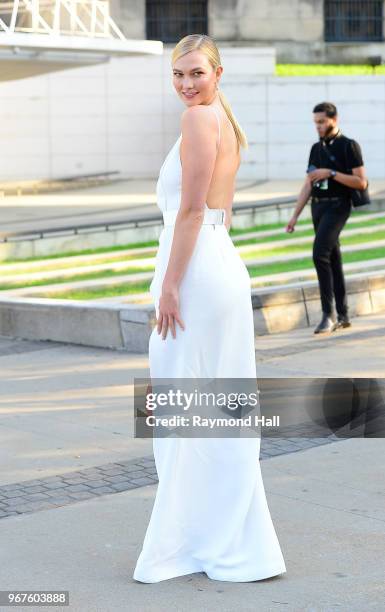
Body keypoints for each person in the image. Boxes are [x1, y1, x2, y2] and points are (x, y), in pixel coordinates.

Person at [133, 34, 286, 583]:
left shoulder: (200, 121)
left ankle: (193, 542)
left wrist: (169, 286)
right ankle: (222, 539)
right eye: (178, 75)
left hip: (196, 273)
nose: (186, 84)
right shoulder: (222, 119)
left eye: (196, 73)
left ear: (218, 73)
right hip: (217, 265)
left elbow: (193, 212)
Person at [285, 102, 368, 334]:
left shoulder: (349, 146)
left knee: (319, 253)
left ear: (334, 119)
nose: (318, 126)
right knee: (333, 258)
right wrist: (294, 216)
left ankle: (328, 314)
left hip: (339, 206)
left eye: (322, 122)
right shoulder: (315, 148)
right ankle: (342, 314)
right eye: (316, 123)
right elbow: (308, 185)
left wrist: (331, 173)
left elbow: (361, 182)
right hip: (318, 208)